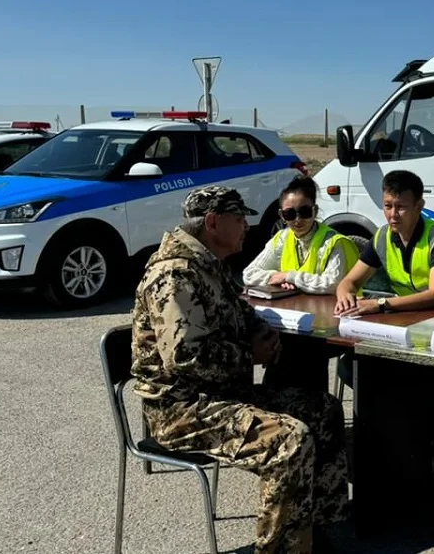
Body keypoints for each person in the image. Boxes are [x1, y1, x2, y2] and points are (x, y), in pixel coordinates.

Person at [131, 186, 349, 554]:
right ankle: (281, 549)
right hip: (181, 409)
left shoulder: (208, 265)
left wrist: (258, 330)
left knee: (323, 411)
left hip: (222, 395)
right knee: (288, 439)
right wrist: (249, 355)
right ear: (213, 223)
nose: (246, 225)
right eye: (238, 218)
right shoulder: (174, 274)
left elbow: (239, 312)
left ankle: (309, 533)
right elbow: (185, 358)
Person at [334, 170, 434, 316]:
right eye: (388, 206)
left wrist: (380, 304)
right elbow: (350, 280)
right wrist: (344, 295)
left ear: (419, 206)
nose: (393, 214)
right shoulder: (382, 237)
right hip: (402, 314)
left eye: (401, 207)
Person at [242, 175, 359, 294]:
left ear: (315, 211)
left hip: (334, 309)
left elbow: (333, 284)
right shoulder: (281, 239)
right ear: (281, 215)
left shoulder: (334, 242)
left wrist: (290, 277)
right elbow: (249, 274)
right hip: (296, 308)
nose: (298, 219)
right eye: (290, 214)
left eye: (304, 212)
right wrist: (275, 277)